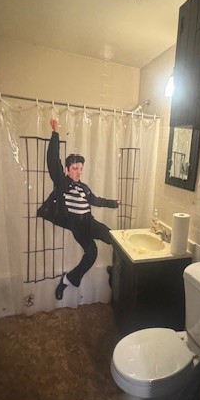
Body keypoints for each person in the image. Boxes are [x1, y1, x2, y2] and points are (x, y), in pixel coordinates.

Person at [45, 118, 119, 300]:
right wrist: (55, 134)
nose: (79, 171)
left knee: (117, 241)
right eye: (75, 168)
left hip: (90, 222)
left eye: (81, 168)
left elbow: (95, 200)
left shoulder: (84, 187)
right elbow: (53, 161)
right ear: (67, 170)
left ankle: (115, 272)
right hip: (78, 226)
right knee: (92, 253)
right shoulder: (63, 183)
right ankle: (67, 281)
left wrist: (114, 203)